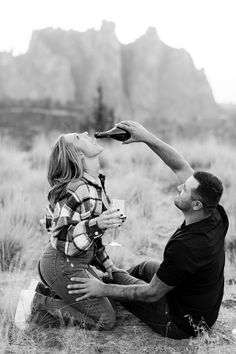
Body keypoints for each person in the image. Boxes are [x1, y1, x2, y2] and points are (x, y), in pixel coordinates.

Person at [67, 121, 229, 339]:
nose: (179, 186)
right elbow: (179, 166)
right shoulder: (216, 213)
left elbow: (151, 294)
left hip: (180, 322)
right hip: (200, 306)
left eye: (185, 190)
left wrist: (102, 289)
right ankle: (107, 279)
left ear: (197, 205)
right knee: (145, 267)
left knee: (111, 284)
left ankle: (86, 290)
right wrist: (145, 137)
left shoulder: (186, 247)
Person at [15, 131, 126, 330]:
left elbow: (92, 237)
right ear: (79, 154)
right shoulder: (77, 188)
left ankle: (50, 292)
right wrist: (96, 224)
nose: (85, 133)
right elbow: (61, 237)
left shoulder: (93, 184)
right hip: (63, 264)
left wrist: (107, 264)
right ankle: (35, 306)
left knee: (110, 300)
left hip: (74, 261)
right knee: (106, 320)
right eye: (77, 137)